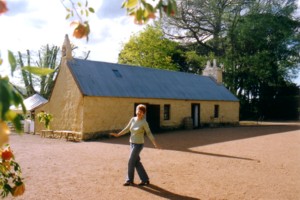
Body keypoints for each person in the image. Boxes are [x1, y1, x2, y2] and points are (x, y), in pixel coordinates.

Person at [110, 104, 160, 186]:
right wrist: (118, 134)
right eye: (138, 111)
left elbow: (149, 133)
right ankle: (145, 179)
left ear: (143, 113)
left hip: (139, 145)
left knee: (130, 161)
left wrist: (155, 143)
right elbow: (127, 129)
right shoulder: (133, 119)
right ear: (136, 111)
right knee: (136, 162)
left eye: (141, 111)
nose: (139, 112)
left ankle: (129, 180)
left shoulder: (144, 122)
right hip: (132, 143)